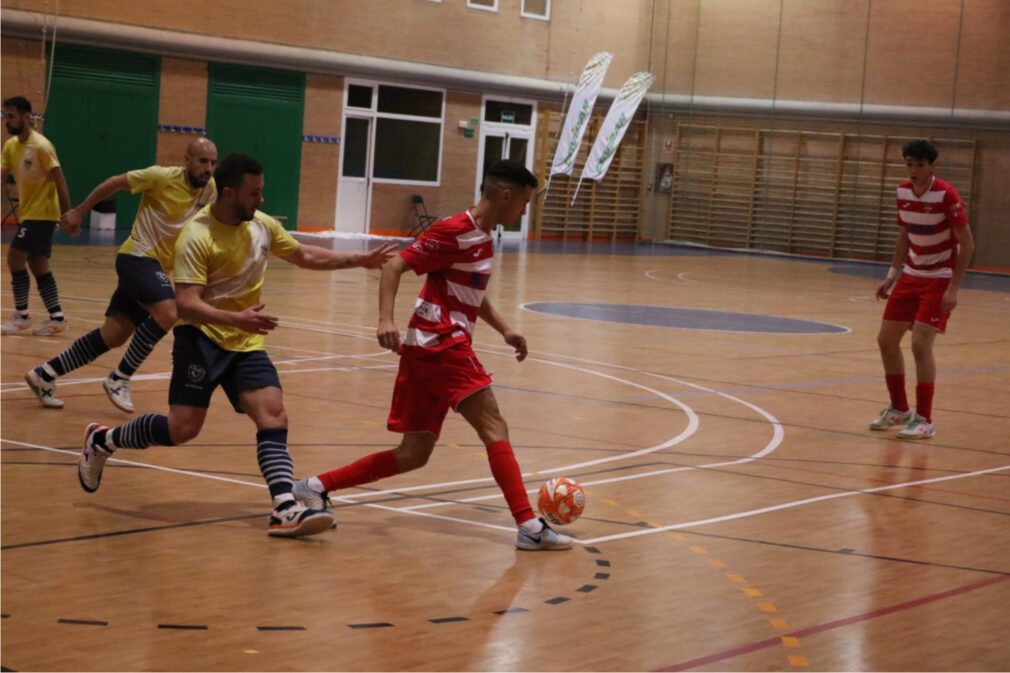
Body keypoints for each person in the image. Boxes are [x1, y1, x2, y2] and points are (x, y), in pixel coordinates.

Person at [76, 153, 396, 537]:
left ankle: (284, 507)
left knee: (273, 416)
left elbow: (304, 254)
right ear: (228, 194)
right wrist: (238, 318)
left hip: (245, 342)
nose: (261, 200)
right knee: (182, 429)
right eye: (253, 193)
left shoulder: (261, 226)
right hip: (201, 339)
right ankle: (103, 439)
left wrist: (360, 259)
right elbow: (187, 305)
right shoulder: (197, 236)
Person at [292, 160, 574, 551]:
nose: (525, 211)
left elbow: (471, 290)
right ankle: (529, 526)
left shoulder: (482, 237)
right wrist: (384, 320)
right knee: (494, 425)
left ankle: (312, 487)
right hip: (441, 342)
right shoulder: (454, 230)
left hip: (427, 349)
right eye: (524, 203)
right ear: (505, 195)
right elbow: (395, 265)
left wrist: (505, 328)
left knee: (414, 454)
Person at [24, 137, 218, 411]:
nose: (208, 168)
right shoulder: (159, 177)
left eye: (212, 162)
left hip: (155, 267)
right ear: (187, 160)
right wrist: (79, 211)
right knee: (170, 311)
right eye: (202, 161)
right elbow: (115, 182)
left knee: (114, 334)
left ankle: (45, 374)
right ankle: (120, 378)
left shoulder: (210, 189)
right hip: (137, 256)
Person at [871, 139, 974, 439]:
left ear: (931, 166)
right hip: (911, 274)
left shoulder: (946, 195)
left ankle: (925, 419)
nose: (913, 170)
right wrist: (891, 276)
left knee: (919, 344)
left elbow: (967, 244)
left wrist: (954, 287)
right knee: (886, 340)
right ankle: (899, 409)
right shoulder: (902, 192)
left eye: (919, 164)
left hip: (940, 276)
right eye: (909, 164)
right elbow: (904, 237)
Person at [1, 96, 72, 336]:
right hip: (28, 213)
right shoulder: (10, 146)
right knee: (38, 264)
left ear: (26, 116)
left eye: (11, 116)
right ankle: (57, 318)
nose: (7, 121)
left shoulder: (41, 146)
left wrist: (69, 213)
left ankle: (21, 316)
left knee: (14, 258)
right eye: (5, 116)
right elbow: (2, 173)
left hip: (43, 214)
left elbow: (59, 180)